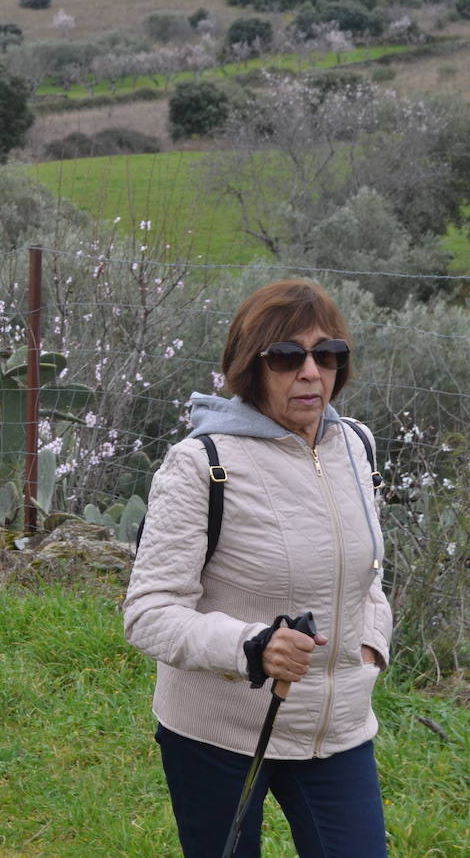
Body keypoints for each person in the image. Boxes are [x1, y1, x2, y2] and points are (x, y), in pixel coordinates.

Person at [123, 279, 391, 858]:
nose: (311, 372)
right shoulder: (203, 463)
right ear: (251, 366)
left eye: (328, 354)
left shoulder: (358, 448)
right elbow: (148, 613)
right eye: (287, 356)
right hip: (218, 733)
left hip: (337, 729)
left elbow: (366, 574)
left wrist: (371, 643)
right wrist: (252, 646)